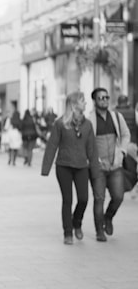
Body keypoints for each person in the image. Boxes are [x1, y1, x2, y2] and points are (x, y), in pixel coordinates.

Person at [41, 91, 100, 245]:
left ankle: (77, 222)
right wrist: (45, 168)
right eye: (83, 101)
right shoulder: (60, 123)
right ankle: (68, 233)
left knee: (84, 199)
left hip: (82, 166)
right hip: (64, 166)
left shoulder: (88, 125)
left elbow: (92, 150)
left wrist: (95, 171)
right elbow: (52, 145)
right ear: (74, 105)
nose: (86, 103)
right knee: (67, 200)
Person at [89, 88, 130, 242]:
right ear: (95, 101)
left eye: (107, 97)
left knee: (118, 196)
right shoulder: (90, 119)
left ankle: (108, 217)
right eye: (101, 98)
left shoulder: (117, 117)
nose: (105, 100)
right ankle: (99, 231)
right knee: (99, 198)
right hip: (98, 167)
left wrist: (123, 152)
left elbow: (126, 135)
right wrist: (95, 159)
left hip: (115, 165)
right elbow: (88, 142)